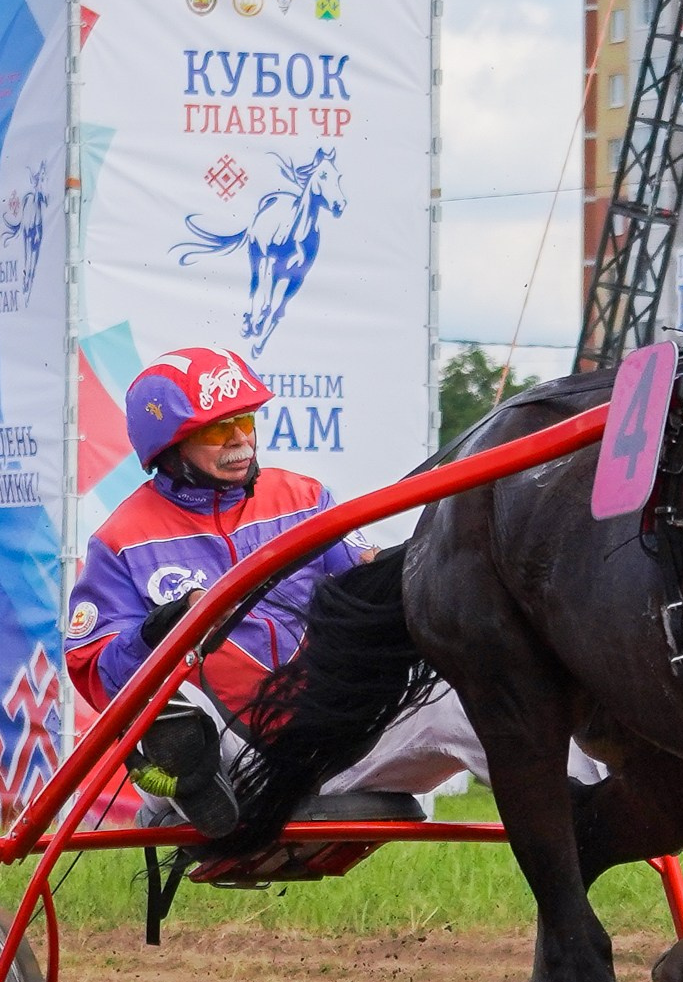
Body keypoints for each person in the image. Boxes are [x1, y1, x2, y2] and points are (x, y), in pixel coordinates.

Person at [65, 346, 573, 838]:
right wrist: (163, 629)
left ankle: (597, 803)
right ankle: (198, 782)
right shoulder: (120, 540)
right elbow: (93, 669)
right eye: (221, 429)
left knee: (463, 694)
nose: (240, 440)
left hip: (326, 733)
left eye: (246, 422)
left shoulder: (304, 497)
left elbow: (367, 579)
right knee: (172, 711)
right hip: (222, 748)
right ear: (168, 447)